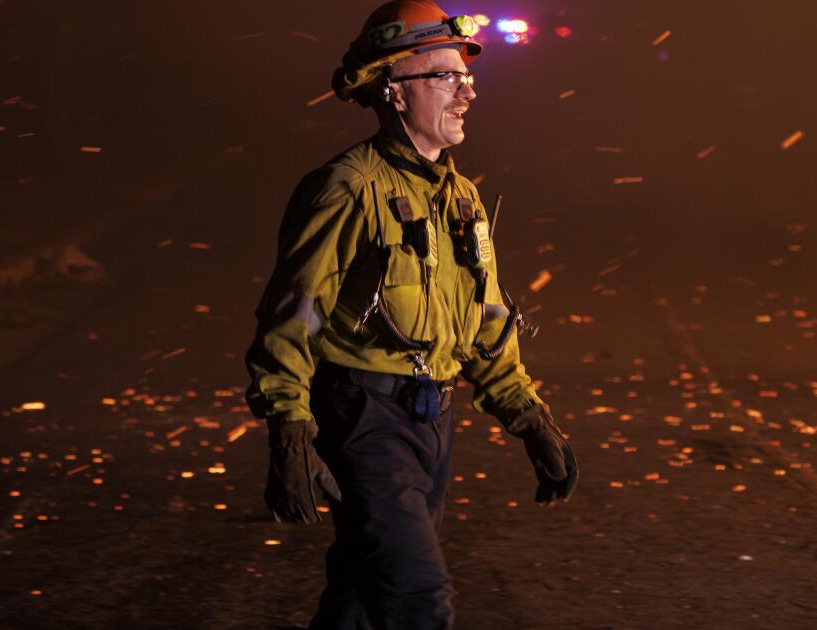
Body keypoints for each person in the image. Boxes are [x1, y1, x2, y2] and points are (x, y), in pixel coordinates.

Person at [243, 2, 578, 627]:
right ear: (396, 91)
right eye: (447, 77)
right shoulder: (346, 188)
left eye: (467, 78)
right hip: (363, 415)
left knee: (363, 594)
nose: (466, 93)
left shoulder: (460, 196)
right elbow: (292, 317)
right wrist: (289, 428)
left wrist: (529, 417)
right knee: (417, 595)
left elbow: (486, 317)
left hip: (433, 420)